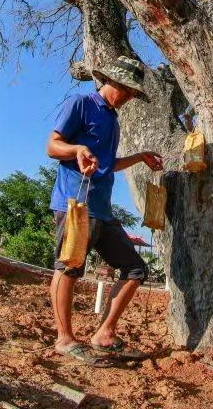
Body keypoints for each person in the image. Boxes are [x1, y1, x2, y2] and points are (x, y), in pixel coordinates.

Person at [47, 55, 164, 365]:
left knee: (136, 269)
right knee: (69, 268)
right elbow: (52, 146)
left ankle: (104, 334)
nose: (128, 97)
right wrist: (77, 149)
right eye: (125, 89)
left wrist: (139, 157)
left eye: (133, 93)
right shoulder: (81, 104)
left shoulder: (113, 120)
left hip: (102, 209)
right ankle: (64, 339)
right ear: (109, 80)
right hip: (75, 204)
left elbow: (107, 165)